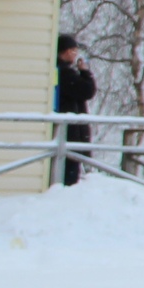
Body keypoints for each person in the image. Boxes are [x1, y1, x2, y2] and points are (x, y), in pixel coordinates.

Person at [53, 34, 94, 186]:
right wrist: (84, 72)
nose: (76, 54)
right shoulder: (65, 73)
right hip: (71, 132)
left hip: (68, 131)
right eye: (73, 50)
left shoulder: (61, 71)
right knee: (69, 175)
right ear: (65, 51)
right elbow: (87, 91)